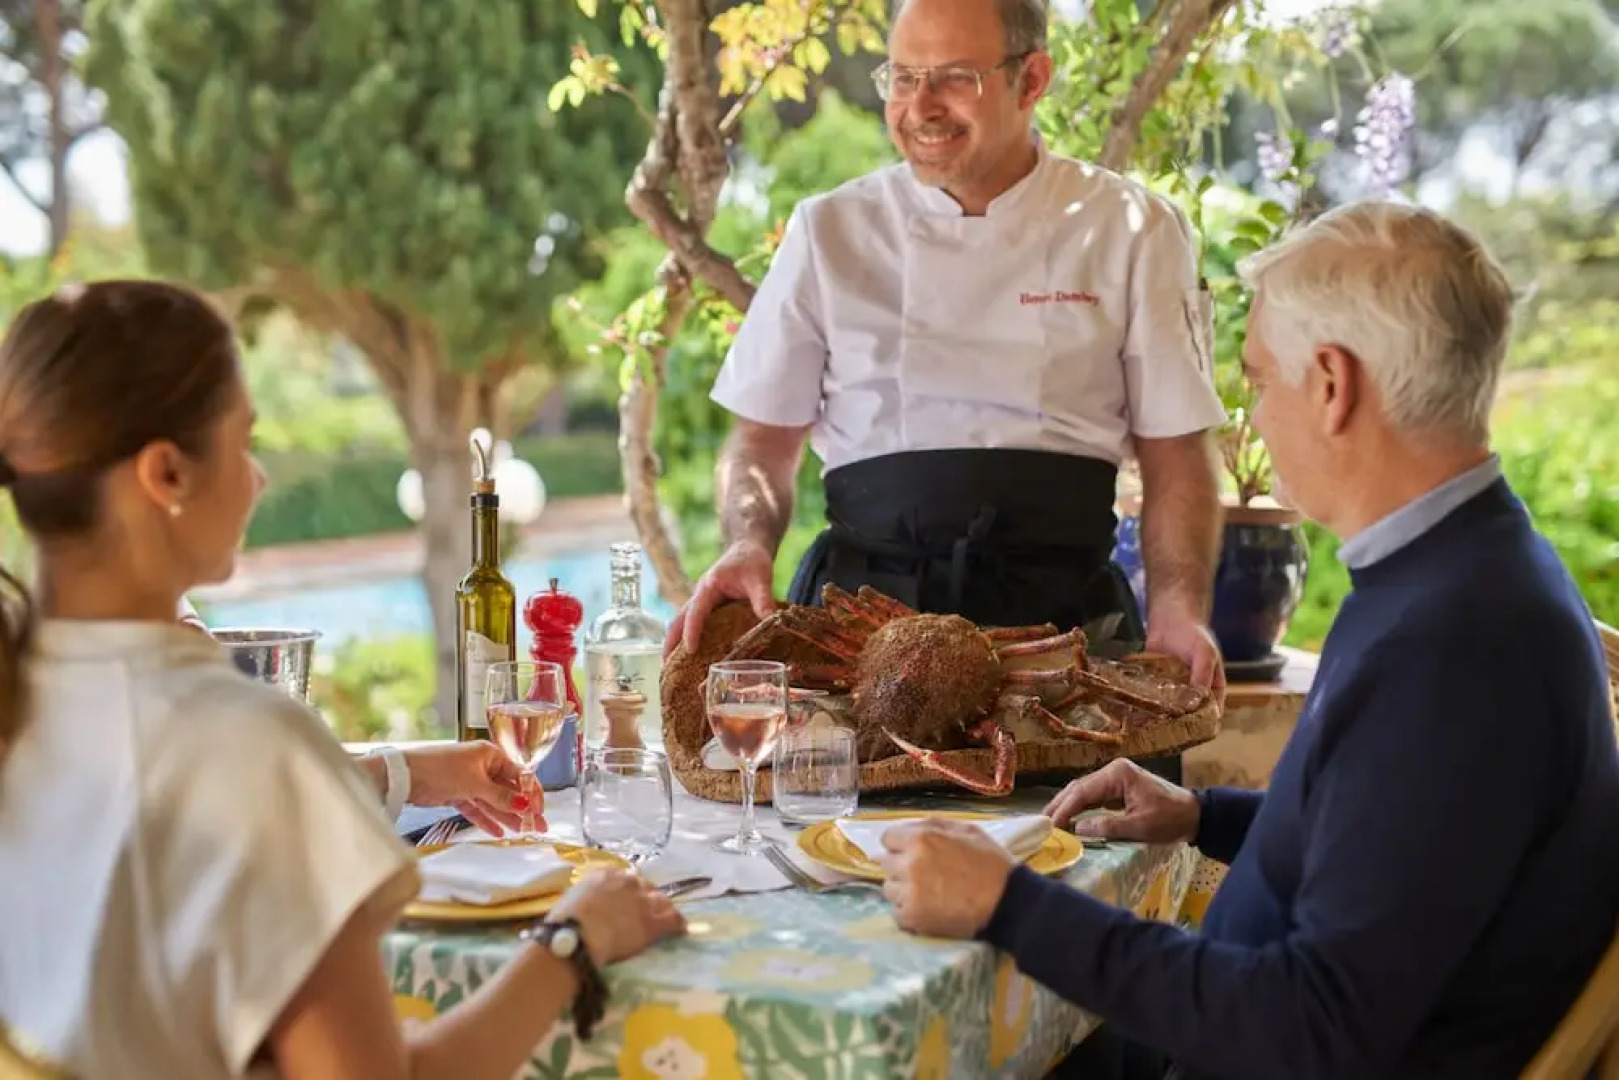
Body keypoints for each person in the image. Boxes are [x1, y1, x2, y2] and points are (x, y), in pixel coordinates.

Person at [872, 201, 1619, 1079]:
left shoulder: (1455, 648)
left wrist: (1009, 904)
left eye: (1259, 382)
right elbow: (1408, 852)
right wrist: (1201, 815)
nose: (1250, 421)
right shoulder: (1469, 567)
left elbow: (1310, 1029)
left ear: (1332, 385)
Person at [0, 281, 686, 1079]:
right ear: (166, 474)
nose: (257, 478)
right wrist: (573, 939)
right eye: (243, 442)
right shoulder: (240, 738)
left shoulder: (35, 699)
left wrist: (405, 772)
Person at [666, 0, 1230, 723]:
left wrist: (1180, 610)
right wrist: (746, 544)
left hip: (1064, 637)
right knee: (838, 837)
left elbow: (1176, 451)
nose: (918, 107)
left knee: (1081, 832)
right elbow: (760, 441)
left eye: (953, 79)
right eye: (901, 79)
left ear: (1031, 80)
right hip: (861, 638)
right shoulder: (829, 229)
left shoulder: (1131, 228)